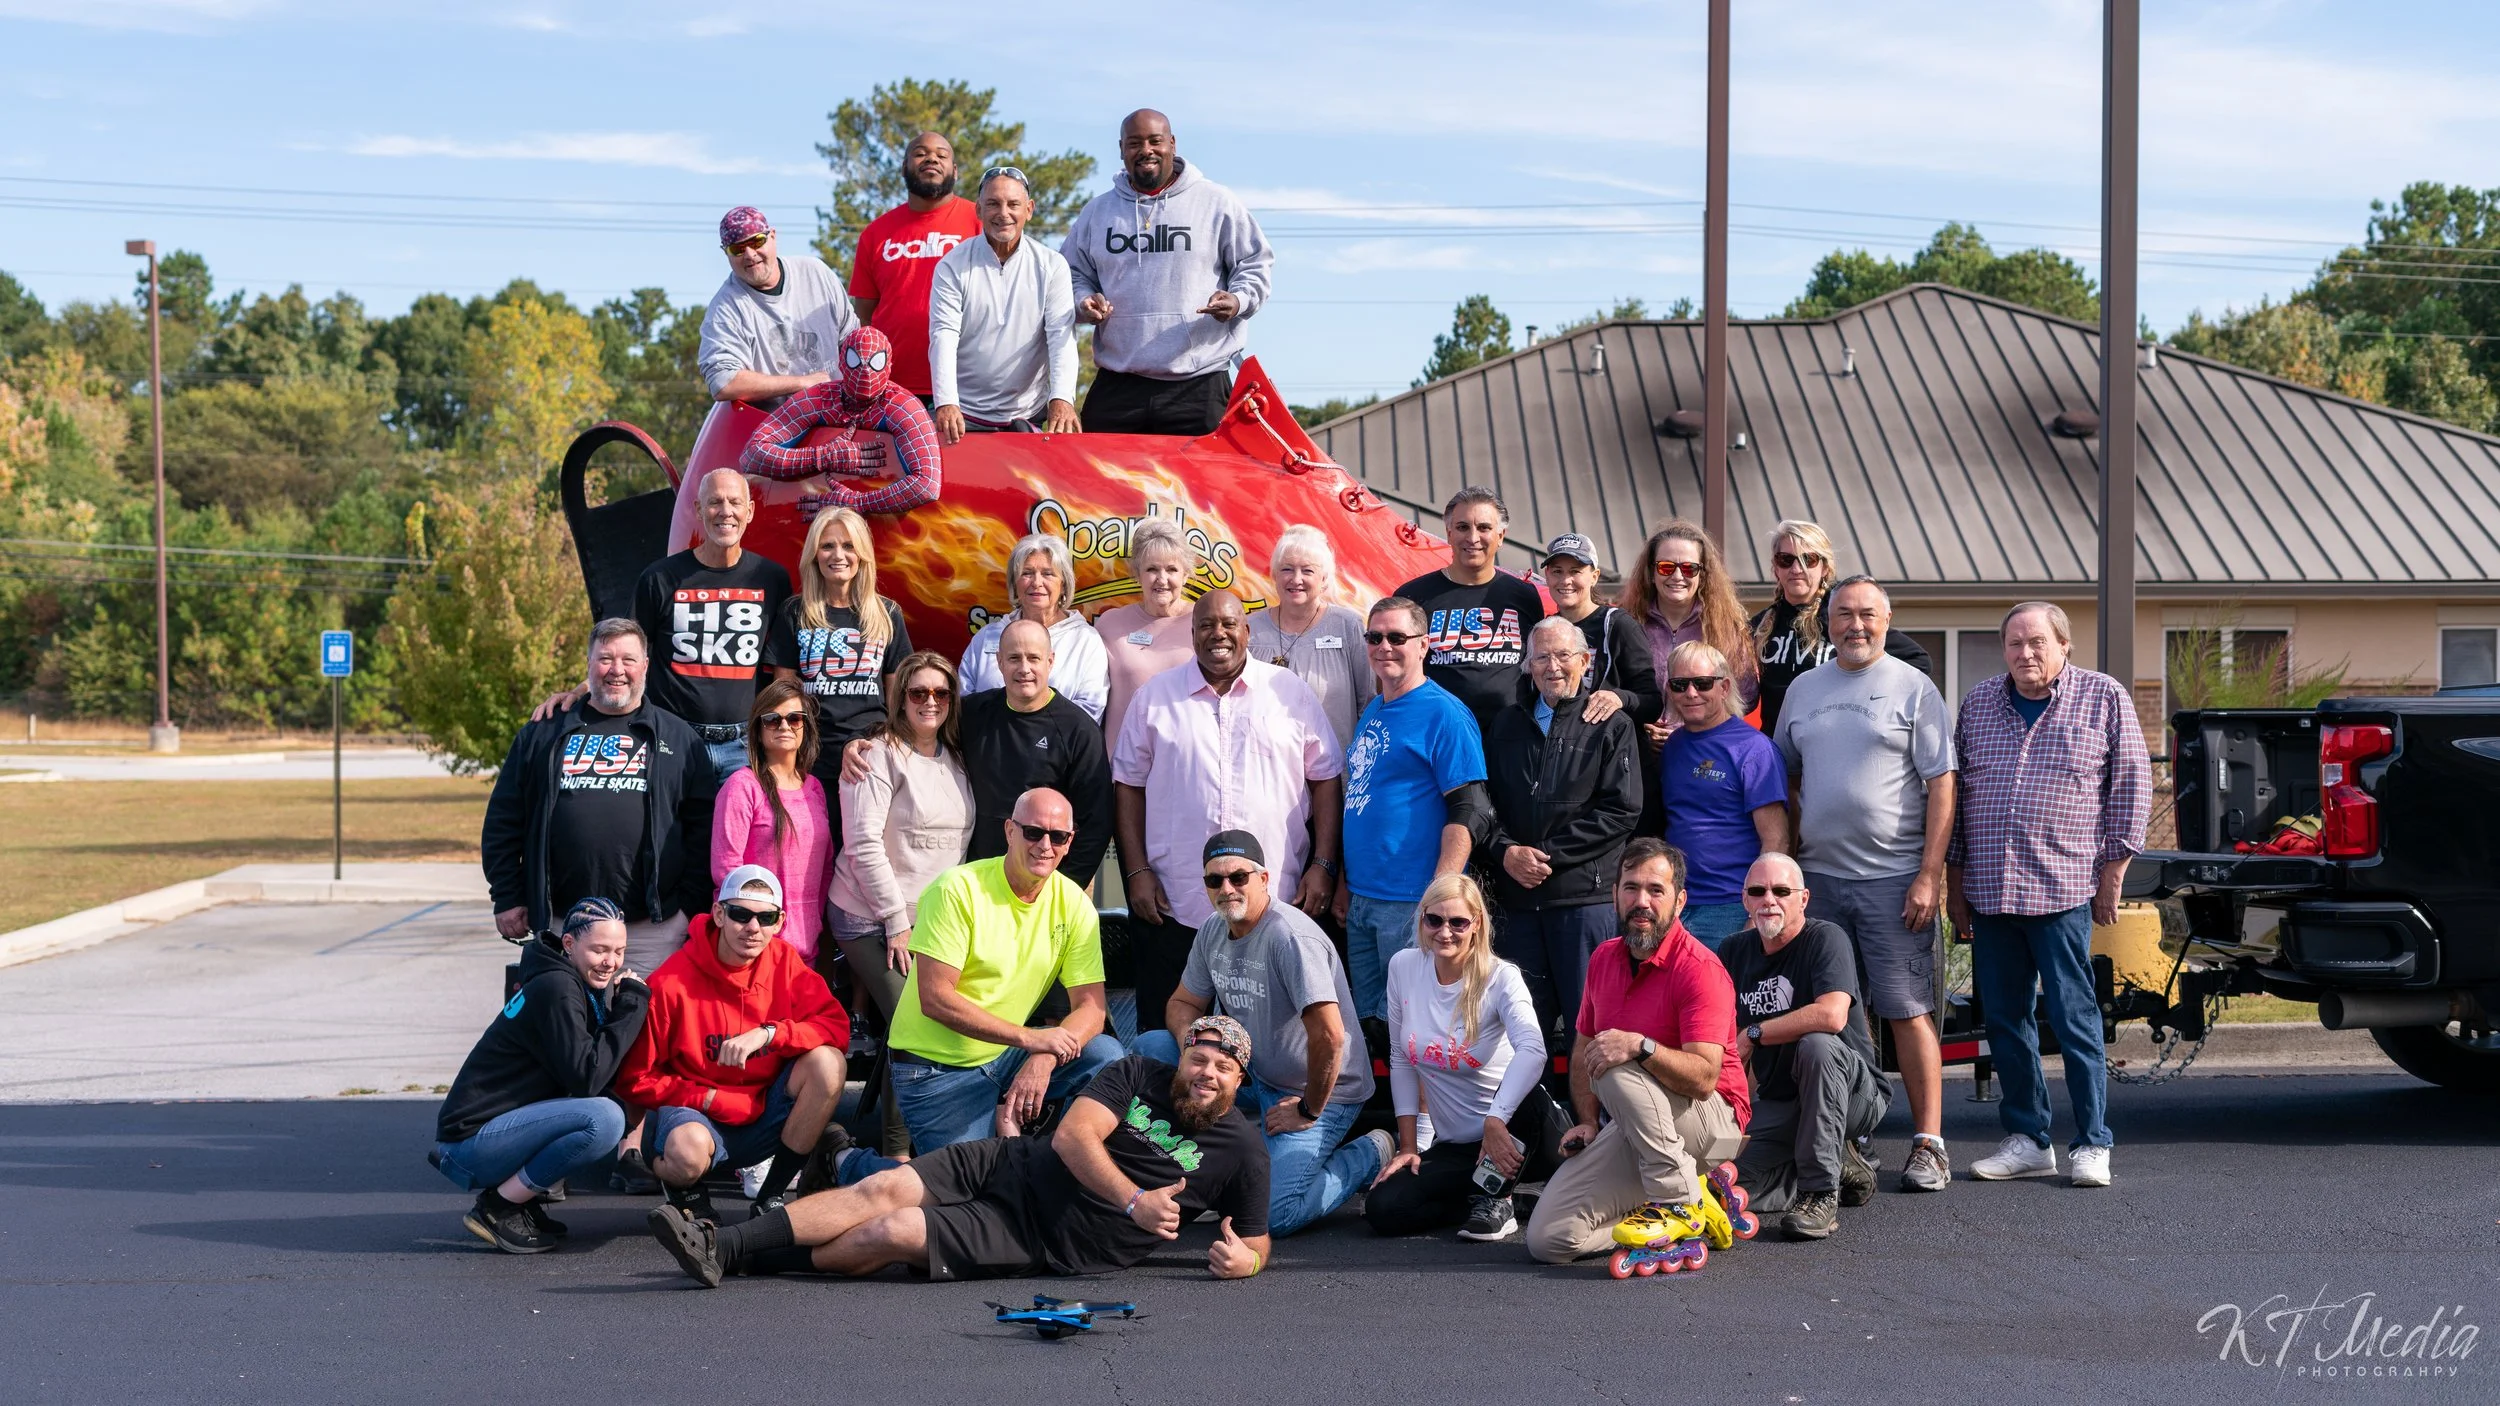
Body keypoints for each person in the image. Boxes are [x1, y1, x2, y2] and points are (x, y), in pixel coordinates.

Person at [646, 1015, 1271, 1284]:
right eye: (1197, 1057)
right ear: (1181, 1057)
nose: (1205, 1072)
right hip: (1013, 1163)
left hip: (1040, 1240)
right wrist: (1134, 1199)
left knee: (888, 1233)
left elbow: (1258, 1237)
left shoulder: (1243, 1151)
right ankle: (719, 1245)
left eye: (1221, 1065)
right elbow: (1075, 1136)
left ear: (1240, 1079)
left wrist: (1247, 1261)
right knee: (881, 1187)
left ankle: (745, 1260)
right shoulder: (1139, 1073)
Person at [1948, 601, 2151, 1189]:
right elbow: (1958, 804)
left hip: (2062, 888)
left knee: (2074, 1019)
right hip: (1991, 890)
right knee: (2006, 1021)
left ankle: (2093, 1141)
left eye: (2037, 642)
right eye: (2014, 643)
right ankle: (2028, 1139)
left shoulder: (2103, 697)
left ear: (2064, 645)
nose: (2025, 654)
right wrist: (1954, 888)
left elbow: (2133, 786)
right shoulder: (1980, 703)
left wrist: (2112, 874)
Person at [1774, 575, 1957, 1194]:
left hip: (1894, 879)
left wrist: (1930, 874)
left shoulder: (1913, 688)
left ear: (1887, 619)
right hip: (1820, 882)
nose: (1857, 624)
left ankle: (1929, 1143)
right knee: (1835, 1016)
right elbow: (1789, 780)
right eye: (1845, 614)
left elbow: (1942, 784)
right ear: (1827, 622)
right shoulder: (1803, 690)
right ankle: (1850, 1135)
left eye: (1868, 615)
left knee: (1907, 1011)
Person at [1114, 590, 1343, 1028]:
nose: (1217, 633)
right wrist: (1136, 871)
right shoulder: (1155, 698)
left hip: (1274, 901)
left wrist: (1324, 863)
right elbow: (1128, 786)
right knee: (1168, 1038)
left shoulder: (1289, 692)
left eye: (1228, 623)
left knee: (1276, 1039)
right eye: (1205, 625)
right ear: (1192, 633)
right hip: (1176, 902)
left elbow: (1326, 778)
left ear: (1246, 631)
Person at [1135, 831, 1380, 1236]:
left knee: (1272, 1216)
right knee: (1150, 1049)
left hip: (1320, 1091)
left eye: (1238, 877)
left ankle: (1369, 1153)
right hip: (1254, 1076)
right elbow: (1182, 1005)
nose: (1226, 888)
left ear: (1264, 879)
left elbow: (1330, 1038)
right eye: (1215, 880)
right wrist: (1193, 1049)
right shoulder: (1214, 930)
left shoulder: (1290, 937)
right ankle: (1194, 1164)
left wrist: (1307, 1110)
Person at [1523, 840, 1752, 1267]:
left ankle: (1678, 1202)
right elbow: (1583, 1048)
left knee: (1615, 1060)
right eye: (1630, 888)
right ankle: (1695, 1203)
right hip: (1645, 1124)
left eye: (1655, 890)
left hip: (1713, 1120)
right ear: (1614, 895)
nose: (1641, 901)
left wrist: (1641, 1046)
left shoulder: (1700, 969)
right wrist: (1589, 1122)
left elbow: (1704, 1079)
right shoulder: (1603, 958)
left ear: (1679, 901)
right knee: (1549, 1239)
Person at [885, 788, 1126, 1152]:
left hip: (1004, 1052)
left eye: (1057, 836)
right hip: (936, 1068)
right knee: (967, 1191)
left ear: (1069, 842)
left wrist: (1044, 1056)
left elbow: (1091, 1007)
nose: (1045, 845)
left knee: (1106, 1055)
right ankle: (846, 1161)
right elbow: (935, 999)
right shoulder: (957, 889)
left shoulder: (1074, 903)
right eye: (1033, 832)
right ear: (1010, 831)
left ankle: (1059, 1159)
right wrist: (1030, 1040)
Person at [615, 866, 856, 1225]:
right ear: (719, 914)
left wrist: (771, 1033)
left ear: (779, 922)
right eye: (741, 914)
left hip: (763, 1109)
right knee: (686, 1153)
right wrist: (708, 1099)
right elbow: (634, 1079)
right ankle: (682, 1186)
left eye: (765, 917)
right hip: (697, 1117)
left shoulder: (786, 964)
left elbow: (836, 1028)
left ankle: (771, 1196)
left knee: (828, 1062)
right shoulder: (669, 983)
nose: (753, 928)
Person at [484, 618, 715, 975]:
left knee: (643, 1027)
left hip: (652, 930)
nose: (617, 671)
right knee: (565, 1027)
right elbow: (504, 819)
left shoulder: (680, 739)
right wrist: (508, 896)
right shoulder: (543, 733)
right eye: (606, 659)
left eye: (628, 660)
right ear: (588, 664)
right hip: (563, 926)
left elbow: (703, 831)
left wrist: (687, 909)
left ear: (646, 666)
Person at [432, 898, 648, 1255]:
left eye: (619, 951)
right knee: (605, 1118)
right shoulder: (557, 989)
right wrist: (631, 1006)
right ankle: (498, 1207)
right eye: (600, 949)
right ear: (569, 944)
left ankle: (521, 1202)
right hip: (470, 1144)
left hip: (489, 1134)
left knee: (611, 1108)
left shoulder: (568, 981)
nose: (611, 962)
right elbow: (587, 1079)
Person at [828, 651, 977, 1155]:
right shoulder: (877, 755)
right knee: (914, 1022)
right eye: (918, 693)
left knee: (928, 1023)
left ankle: (928, 1144)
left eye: (941, 693)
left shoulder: (956, 757)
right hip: (870, 916)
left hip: (929, 921)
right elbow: (863, 843)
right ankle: (896, 1156)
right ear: (901, 699)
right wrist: (895, 922)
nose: (930, 702)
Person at [1476, 616, 1643, 1043]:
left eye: (1564, 655)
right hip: (1516, 901)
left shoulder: (1611, 724)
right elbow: (1482, 804)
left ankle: (1591, 1115)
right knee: (1519, 1033)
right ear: (1528, 665)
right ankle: (1529, 1114)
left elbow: (1621, 811)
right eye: (1542, 656)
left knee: (1592, 1028)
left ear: (1585, 661)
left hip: (1582, 902)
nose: (1553, 666)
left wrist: (1545, 855)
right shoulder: (1505, 724)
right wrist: (1506, 852)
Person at [1367, 873, 1553, 1242]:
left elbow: (1534, 1049)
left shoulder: (1502, 978)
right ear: (1422, 919)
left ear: (1476, 924)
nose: (1445, 932)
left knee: (1526, 1095)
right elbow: (1401, 1059)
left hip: (1518, 1130)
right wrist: (1407, 1147)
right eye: (1434, 920)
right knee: (1383, 1210)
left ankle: (1500, 1196)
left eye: (1458, 922)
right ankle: (1493, 1195)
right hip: (1458, 1146)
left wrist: (1496, 1119)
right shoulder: (1403, 967)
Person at [1064, 109, 1274, 436]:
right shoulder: (1098, 212)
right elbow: (1072, 273)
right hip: (1119, 385)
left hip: (1200, 383)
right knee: (1106, 485)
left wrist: (1237, 300)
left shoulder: (1216, 202)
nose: (1145, 150)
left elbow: (1254, 262)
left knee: (1200, 488)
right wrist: (1082, 301)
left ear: (1172, 144)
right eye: (1134, 143)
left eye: (1155, 141)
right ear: (1121, 149)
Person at [1335, 596, 1490, 1023]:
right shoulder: (1374, 708)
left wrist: (1439, 896)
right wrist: (1347, 883)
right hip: (1364, 898)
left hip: (1410, 904)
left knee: (1409, 1028)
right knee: (1369, 1027)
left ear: (1424, 645)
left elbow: (1470, 809)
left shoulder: (1444, 713)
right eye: (1375, 637)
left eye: (1397, 637)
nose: (1384, 646)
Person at [1719, 855, 1888, 1241]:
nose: (1769, 900)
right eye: (1758, 891)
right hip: (1784, 1101)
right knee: (1720, 1181)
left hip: (1854, 1096)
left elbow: (1831, 1017)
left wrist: (1755, 1032)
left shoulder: (1825, 938)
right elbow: (1725, 1041)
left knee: (1817, 1046)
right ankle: (1837, 1167)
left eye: (1782, 891)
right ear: (1745, 899)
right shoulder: (1732, 951)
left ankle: (1819, 1195)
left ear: (1804, 899)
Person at [633, 468, 792, 778]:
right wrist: (585, 691)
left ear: (750, 511)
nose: (726, 512)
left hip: (742, 747)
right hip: (672, 741)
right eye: (715, 502)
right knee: (670, 829)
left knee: (735, 829)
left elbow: (785, 665)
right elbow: (628, 651)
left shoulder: (772, 579)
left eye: (734, 502)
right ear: (697, 510)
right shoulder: (659, 578)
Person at [955, 619, 1114, 886]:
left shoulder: (1079, 731)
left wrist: (1062, 890)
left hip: (1043, 887)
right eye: (1014, 658)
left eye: (1034, 658)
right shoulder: (969, 714)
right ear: (999, 662)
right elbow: (918, 736)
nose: (1024, 668)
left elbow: (1095, 824)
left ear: (1050, 662)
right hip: (975, 883)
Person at [928, 165, 1079, 441]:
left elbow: (1061, 336)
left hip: (1026, 415)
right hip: (964, 416)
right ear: (979, 210)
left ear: (1029, 209)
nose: (1003, 213)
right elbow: (943, 336)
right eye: (993, 204)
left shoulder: (1052, 265)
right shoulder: (952, 265)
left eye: (1013, 204)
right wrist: (946, 402)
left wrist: (1062, 398)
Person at [767, 505, 912, 787]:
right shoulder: (794, 612)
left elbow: (897, 698)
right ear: (814, 554)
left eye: (848, 545)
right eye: (827, 546)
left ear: (862, 554)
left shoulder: (888, 614)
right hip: (810, 761)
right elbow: (782, 694)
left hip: (871, 759)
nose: (838, 555)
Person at [1748, 519, 1935, 738]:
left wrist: (1864, 701)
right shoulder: (1760, 626)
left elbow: (1918, 661)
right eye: (1786, 560)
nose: (1796, 569)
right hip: (1777, 750)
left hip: (1834, 743)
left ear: (1824, 567)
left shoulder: (1841, 616)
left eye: (1808, 559)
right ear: (1775, 567)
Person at [1657, 640, 1788, 950]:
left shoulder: (1754, 749)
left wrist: (1757, 914)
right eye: (1679, 684)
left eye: (1702, 683)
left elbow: (1777, 841)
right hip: (1673, 905)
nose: (1691, 693)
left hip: (1731, 907)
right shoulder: (1672, 746)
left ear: (1725, 687)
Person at [738, 326, 944, 517]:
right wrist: (824, 456)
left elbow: (927, 485)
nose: (865, 370)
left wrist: (858, 502)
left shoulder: (902, 407)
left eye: (876, 362)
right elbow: (752, 455)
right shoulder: (820, 398)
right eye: (856, 360)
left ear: (888, 366)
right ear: (841, 362)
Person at [1394, 485, 1548, 734]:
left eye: (1484, 528)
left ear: (1501, 536)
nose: (1473, 538)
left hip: (1510, 741)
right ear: (1448, 533)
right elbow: (1392, 671)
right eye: (1463, 527)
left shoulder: (1524, 595)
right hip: (1437, 739)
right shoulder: (1412, 596)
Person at [848, 131, 978, 403]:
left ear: (954, 171)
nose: (931, 158)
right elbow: (864, 318)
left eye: (941, 155)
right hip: (892, 386)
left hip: (968, 385)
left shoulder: (980, 223)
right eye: (920, 153)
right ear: (904, 167)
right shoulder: (875, 233)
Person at [712, 680, 830, 965]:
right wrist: (755, 924)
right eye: (772, 719)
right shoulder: (742, 786)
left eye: (794, 718)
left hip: (807, 946)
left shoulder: (814, 787)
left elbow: (826, 865)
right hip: (755, 946)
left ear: (806, 726)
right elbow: (726, 870)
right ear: (758, 728)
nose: (785, 726)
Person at [698, 205, 858, 408]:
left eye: (756, 241)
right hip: (774, 430)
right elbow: (722, 381)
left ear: (772, 236)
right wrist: (802, 383)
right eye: (737, 249)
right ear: (726, 253)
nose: (749, 254)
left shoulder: (816, 274)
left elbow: (853, 342)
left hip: (840, 416)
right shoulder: (725, 309)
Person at [1625, 518, 1758, 754]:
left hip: (1702, 756)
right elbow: (1611, 690)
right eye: (1666, 567)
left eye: (1689, 568)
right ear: (1651, 572)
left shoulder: (1726, 628)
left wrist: (1688, 727)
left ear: (1702, 575)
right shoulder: (1626, 624)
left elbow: (1745, 697)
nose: (1677, 576)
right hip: (1638, 758)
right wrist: (1640, 724)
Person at [1246, 523, 1374, 750]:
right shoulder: (1250, 629)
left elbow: (1368, 702)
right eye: (1287, 569)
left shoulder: (1347, 626)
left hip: (1335, 773)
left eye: (1307, 571)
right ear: (1274, 574)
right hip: (1268, 771)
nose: (1296, 579)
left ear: (1324, 579)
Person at [958, 533, 1109, 721]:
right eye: (1027, 573)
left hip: (1057, 749)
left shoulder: (1086, 640)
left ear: (1063, 584)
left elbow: (1090, 709)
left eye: (1048, 573)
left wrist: (1033, 738)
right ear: (1015, 581)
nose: (1037, 583)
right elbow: (963, 700)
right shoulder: (987, 637)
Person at [1093, 516, 1201, 759]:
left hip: (1185, 765)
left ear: (1185, 574)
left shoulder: (1204, 623)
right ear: (1137, 574)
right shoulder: (1110, 624)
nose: (1161, 579)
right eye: (1152, 569)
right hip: (1122, 769)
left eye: (1171, 569)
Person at [1540, 531, 1661, 730]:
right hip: (1560, 753)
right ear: (1547, 575)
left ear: (1594, 577)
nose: (1565, 580)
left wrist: (1619, 698)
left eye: (1576, 571)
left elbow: (1652, 703)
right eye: (1557, 571)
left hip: (1608, 754)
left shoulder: (1618, 625)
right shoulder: (1545, 630)